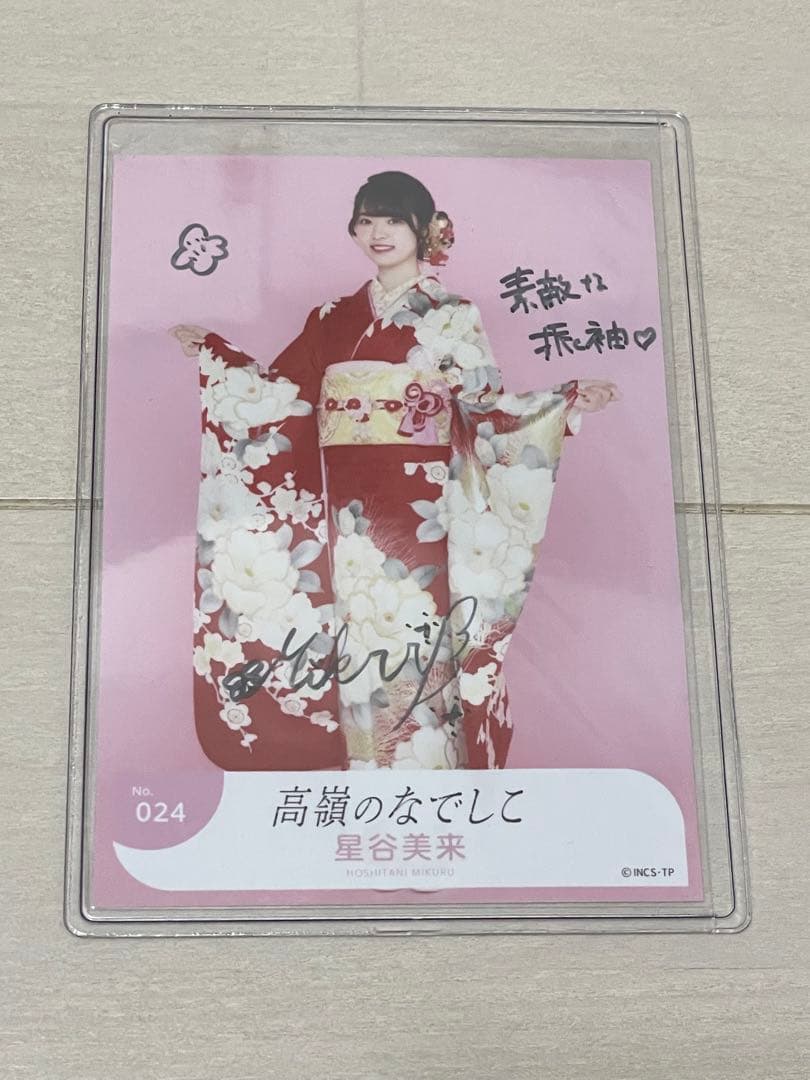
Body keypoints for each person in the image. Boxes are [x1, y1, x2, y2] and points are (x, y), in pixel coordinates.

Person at [170, 170, 619, 772]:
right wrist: (217, 356)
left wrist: (563, 404)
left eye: (392, 220)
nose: (377, 233)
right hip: (348, 513)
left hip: (421, 507)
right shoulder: (330, 317)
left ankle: (426, 774)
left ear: (423, 229)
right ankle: (367, 771)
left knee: (415, 625)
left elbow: (484, 411)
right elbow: (282, 396)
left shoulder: (452, 315)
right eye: (365, 220)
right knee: (357, 630)